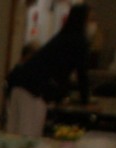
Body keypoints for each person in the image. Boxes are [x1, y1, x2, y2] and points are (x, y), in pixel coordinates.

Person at [5, 3, 91, 138]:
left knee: (12, 135)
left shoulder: (62, 36)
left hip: (19, 83)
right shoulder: (78, 40)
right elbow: (82, 74)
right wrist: (86, 101)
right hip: (34, 90)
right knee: (29, 137)